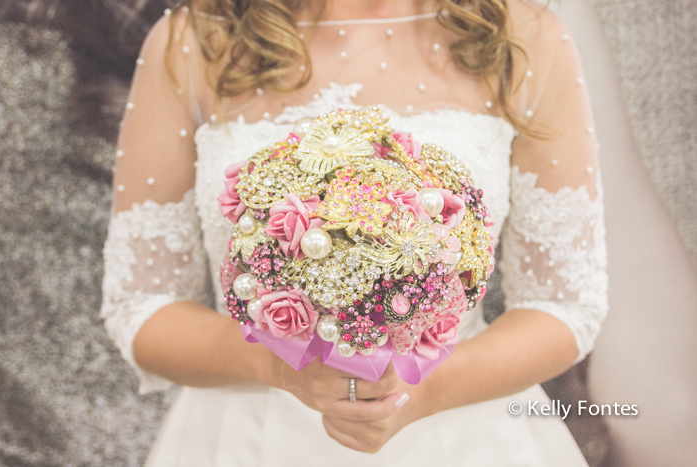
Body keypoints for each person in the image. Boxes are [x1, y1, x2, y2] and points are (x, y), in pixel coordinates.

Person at [101, 0, 608, 464]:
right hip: (248, 440)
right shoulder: (195, 40)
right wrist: (278, 367)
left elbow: (565, 307)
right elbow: (142, 307)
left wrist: (420, 392)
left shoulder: (523, 37)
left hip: (463, 437)